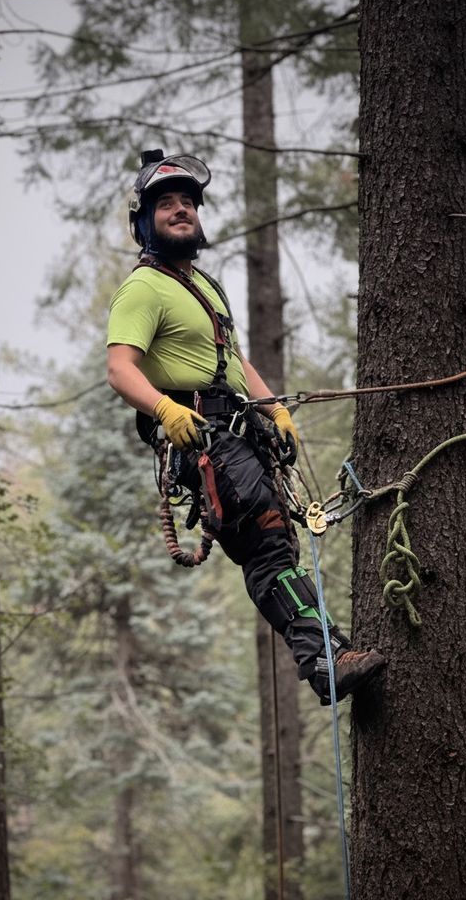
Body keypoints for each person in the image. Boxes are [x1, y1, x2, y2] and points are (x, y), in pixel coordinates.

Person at [106, 149, 385, 704]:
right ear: (144, 221)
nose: (182, 210)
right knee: (266, 546)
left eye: (188, 202)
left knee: (275, 544)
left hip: (237, 429)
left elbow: (235, 360)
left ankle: (332, 656)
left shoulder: (205, 286)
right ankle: (327, 661)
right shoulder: (141, 289)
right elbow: (119, 368)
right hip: (202, 436)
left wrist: (272, 408)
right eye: (167, 204)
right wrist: (164, 410)